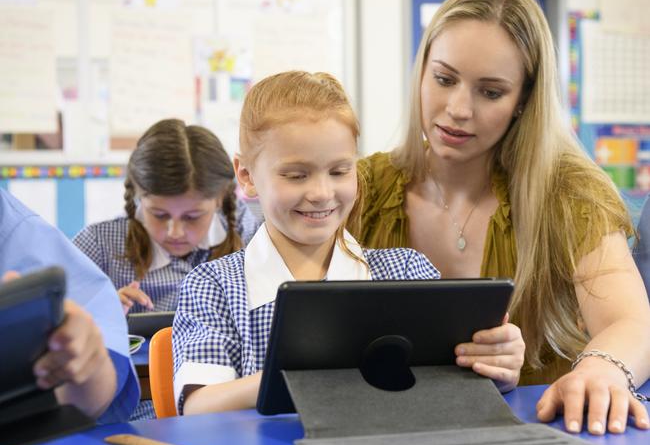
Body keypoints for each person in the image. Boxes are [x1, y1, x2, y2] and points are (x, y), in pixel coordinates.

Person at [349, 0, 650, 435]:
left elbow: (630, 321)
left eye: (490, 92)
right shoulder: (362, 189)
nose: (457, 109)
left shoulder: (568, 192)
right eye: (444, 79)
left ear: (522, 101)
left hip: (535, 437)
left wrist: (601, 369)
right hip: (383, 434)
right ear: (422, 68)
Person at [171, 70, 525, 416]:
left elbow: (453, 387)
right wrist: (306, 378)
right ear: (246, 176)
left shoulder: (406, 272)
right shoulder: (214, 286)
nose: (322, 193)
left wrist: (498, 368)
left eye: (340, 171)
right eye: (296, 175)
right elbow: (199, 404)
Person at [73, 118, 260, 420]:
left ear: (219, 200)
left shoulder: (248, 236)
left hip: (226, 405)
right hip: (131, 412)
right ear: (137, 197)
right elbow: (57, 325)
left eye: (192, 217)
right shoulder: (98, 245)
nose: (175, 231)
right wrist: (98, 309)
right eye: (159, 215)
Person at [0, 188, 139, 422]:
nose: (175, 231)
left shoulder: (12, 225)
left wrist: (87, 360)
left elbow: (94, 360)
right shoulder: (98, 238)